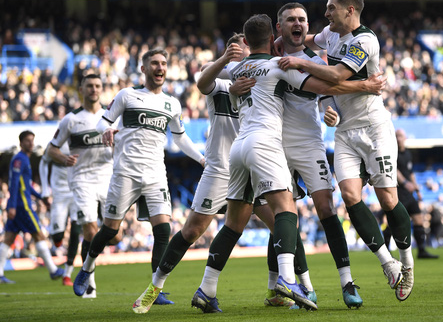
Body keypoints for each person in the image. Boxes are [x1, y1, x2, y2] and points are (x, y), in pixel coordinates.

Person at [192, 14, 384, 313]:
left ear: (246, 41)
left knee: (233, 223)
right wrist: (366, 86)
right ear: (273, 39)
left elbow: (202, 81)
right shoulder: (277, 66)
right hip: (265, 143)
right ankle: (286, 279)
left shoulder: (238, 68)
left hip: (238, 148)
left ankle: (206, 289)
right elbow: (325, 87)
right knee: (286, 209)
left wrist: (228, 82)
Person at [131, 34, 302, 314]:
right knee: (192, 230)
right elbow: (202, 79)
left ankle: (278, 289)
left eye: (244, 47)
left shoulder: (266, 74)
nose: (241, 52)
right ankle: (155, 285)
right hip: (222, 167)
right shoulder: (220, 80)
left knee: (283, 224)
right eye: (235, 48)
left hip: (255, 165)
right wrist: (226, 64)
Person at [278, 0, 414, 302]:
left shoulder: (364, 41)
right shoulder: (330, 35)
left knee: (389, 200)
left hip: (374, 129)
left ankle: (407, 263)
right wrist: (279, 45)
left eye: (331, 9)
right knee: (350, 197)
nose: (326, 14)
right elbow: (308, 40)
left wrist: (299, 64)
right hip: (345, 131)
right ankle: (388, 262)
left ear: (349, 10)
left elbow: (337, 76)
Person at [72, 49, 205, 301]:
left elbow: (180, 137)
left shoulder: (171, 104)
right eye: (154, 63)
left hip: (156, 174)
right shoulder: (127, 95)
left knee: (163, 229)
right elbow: (103, 122)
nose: (160, 67)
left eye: (164, 63)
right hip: (126, 173)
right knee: (110, 229)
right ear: (143, 69)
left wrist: (200, 158)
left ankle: (156, 288)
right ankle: (87, 266)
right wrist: (108, 130)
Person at [272, 2, 363, 308]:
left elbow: (327, 98)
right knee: (284, 215)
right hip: (276, 147)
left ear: (307, 27)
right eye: (291, 20)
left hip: (310, 143)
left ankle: (347, 282)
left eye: (302, 20)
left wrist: (330, 114)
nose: (298, 24)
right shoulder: (271, 55)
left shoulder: (314, 60)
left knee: (326, 208)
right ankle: (304, 286)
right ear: (280, 27)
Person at [48, 74, 116, 298]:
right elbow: (52, 149)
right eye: (89, 86)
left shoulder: (111, 116)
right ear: (81, 89)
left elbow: (123, 143)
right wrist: (63, 158)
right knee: (89, 229)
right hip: (81, 180)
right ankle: (89, 281)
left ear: (101, 88)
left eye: (97, 86)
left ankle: (87, 268)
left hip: (108, 178)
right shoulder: (71, 119)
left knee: (115, 235)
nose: (94, 89)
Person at [0, 131, 65, 284]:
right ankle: (53, 270)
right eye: (27, 141)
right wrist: (12, 206)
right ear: (21, 142)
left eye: (32, 140)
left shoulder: (24, 159)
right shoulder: (19, 159)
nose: (31, 143)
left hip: (20, 203)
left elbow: (26, 185)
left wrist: (40, 197)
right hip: (22, 205)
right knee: (38, 235)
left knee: (8, 239)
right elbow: (15, 183)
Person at [384, 129, 438, 259]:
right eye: (396, 136)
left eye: (401, 136)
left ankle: (421, 251)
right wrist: (405, 183)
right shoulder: (392, 152)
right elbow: (394, 170)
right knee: (394, 221)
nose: (398, 138)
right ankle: (385, 249)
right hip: (398, 192)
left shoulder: (408, 154)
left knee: (419, 219)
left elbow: (411, 172)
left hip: (409, 194)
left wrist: (417, 189)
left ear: (405, 138)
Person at [39, 140, 81, 286]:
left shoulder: (81, 138)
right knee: (57, 236)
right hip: (59, 196)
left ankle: (67, 274)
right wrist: (45, 189)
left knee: (76, 231)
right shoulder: (54, 145)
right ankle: (58, 237)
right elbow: (43, 163)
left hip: (77, 192)